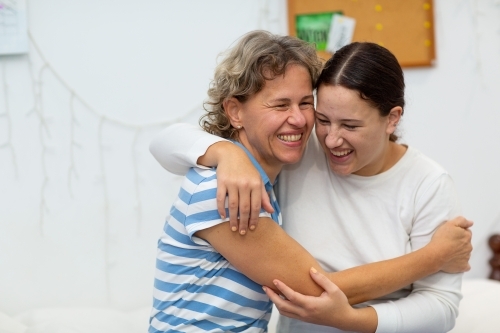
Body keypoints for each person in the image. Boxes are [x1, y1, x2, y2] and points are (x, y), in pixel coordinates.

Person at [149, 38, 473, 333]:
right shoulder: (231, 186)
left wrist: (354, 320)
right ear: (234, 111)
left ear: (392, 118)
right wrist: (436, 255)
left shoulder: (428, 183)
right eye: (323, 119)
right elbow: (315, 290)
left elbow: (441, 306)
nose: (305, 124)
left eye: (306, 104)